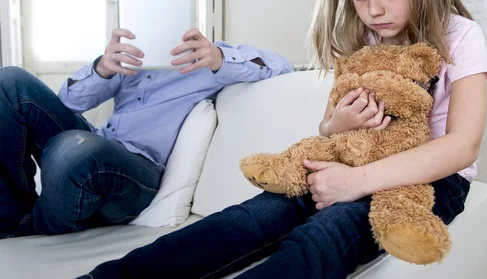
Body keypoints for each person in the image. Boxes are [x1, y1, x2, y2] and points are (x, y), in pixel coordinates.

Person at [80, 0, 487, 279]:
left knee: (326, 234)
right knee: (246, 220)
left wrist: (359, 182)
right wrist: (338, 124)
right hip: (349, 163)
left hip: (428, 182)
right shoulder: (367, 42)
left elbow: (463, 146)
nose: (373, 10)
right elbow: (327, 128)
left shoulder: (460, 36)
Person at [0, 27, 293, 238]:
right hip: (96, 144)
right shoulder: (132, 60)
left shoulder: (209, 58)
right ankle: (12, 218)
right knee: (9, 80)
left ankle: (35, 224)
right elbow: (68, 102)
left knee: (74, 149)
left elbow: (281, 68)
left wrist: (218, 58)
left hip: (136, 172)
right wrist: (103, 67)